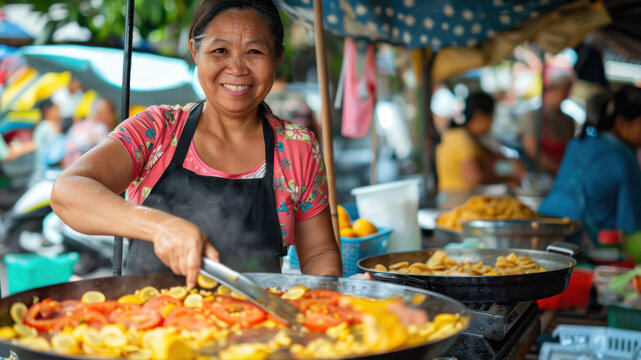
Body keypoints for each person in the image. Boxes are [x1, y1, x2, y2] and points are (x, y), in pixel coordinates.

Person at [50, 0, 342, 288]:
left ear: (277, 59)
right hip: (150, 326)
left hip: (257, 329)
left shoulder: (297, 148)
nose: (237, 68)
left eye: (254, 51)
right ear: (196, 52)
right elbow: (68, 191)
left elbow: (319, 253)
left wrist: (329, 299)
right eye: (219, 51)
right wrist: (159, 226)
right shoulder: (156, 131)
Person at [538, 86, 641, 246]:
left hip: (542, 229)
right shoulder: (623, 159)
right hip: (581, 245)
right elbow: (630, 225)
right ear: (621, 122)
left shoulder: (577, 143)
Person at [436, 92, 525, 199]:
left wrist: (511, 167)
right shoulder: (460, 138)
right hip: (455, 201)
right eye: (491, 118)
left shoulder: (470, 139)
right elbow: (475, 178)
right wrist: (509, 172)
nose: (492, 124)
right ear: (479, 116)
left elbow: (492, 163)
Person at [518, 72, 575, 174]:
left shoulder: (568, 120)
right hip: (540, 174)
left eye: (569, 91)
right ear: (552, 90)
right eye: (565, 90)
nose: (567, 95)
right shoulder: (533, 116)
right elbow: (532, 150)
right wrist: (558, 170)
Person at [62, 97, 117, 167]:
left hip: (69, 172)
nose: (114, 117)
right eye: (112, 113)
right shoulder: (100, 129)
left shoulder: (76, 126)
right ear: (104, 113)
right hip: (85, 173)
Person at [32, 98, 62, 179]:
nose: (59, 112)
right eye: (56, 108)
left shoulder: (43, 125)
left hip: (44, 170)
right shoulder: (47, 126)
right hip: (46, 171)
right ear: (47, 110)